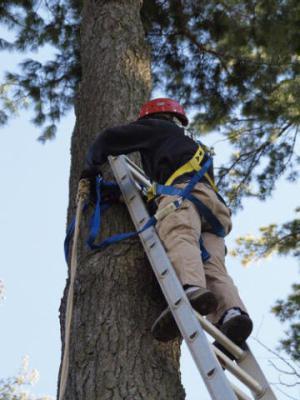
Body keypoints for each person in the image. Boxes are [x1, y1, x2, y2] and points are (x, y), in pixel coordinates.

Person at [81, 98, 253, 349]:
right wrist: (119, 195)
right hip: (214, 210)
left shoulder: (157, 128)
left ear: (152, 118)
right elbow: (162, 197)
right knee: (213, 267)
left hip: (184, 195)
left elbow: (109, 139)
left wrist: (90, 168)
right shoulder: (193, 146)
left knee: (179, 236)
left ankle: (190, 290)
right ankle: (232, 314)